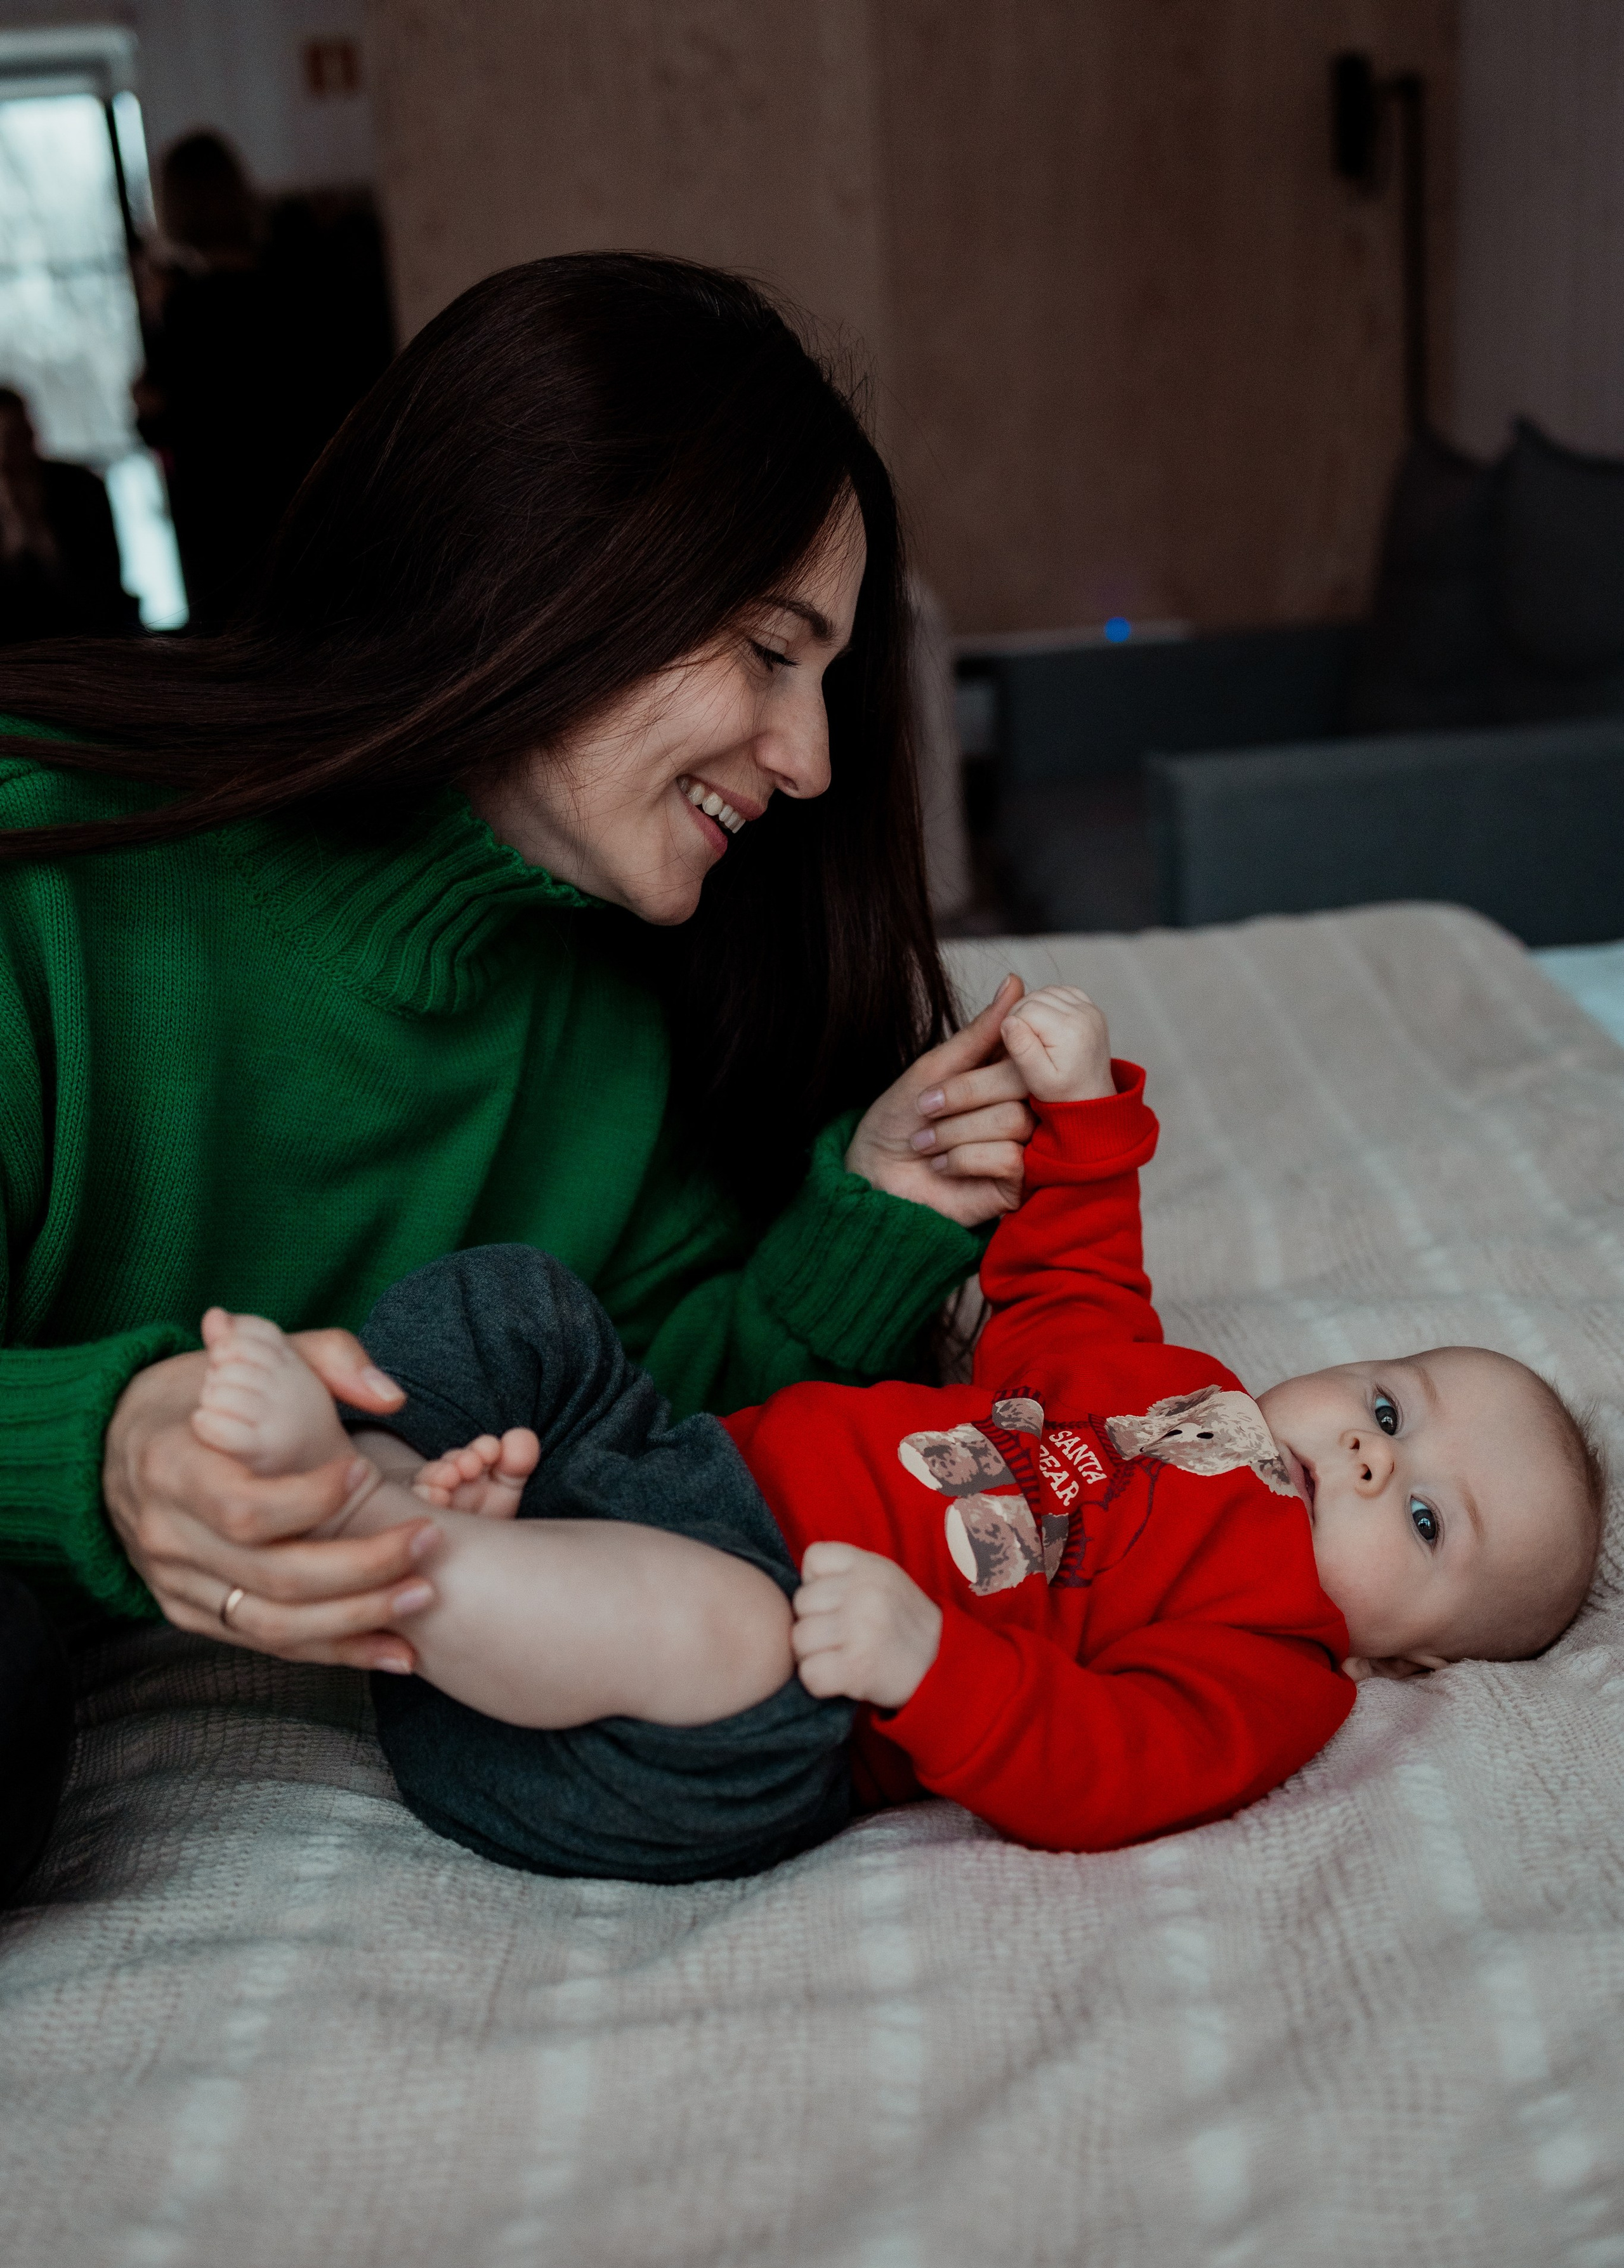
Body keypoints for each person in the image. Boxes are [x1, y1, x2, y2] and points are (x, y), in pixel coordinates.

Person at [0, 254, 1035, 1901]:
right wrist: (99, 1446)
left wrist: (882, 1211)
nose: (815, 758)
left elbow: (673, 1419)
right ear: (551, 561)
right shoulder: (48, 863)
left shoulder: (617, 1026)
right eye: (772, 650)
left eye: (827, 680)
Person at [183, 984, 1609, 1881]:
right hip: (660, 1470)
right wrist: (1078, 1113)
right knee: (517, 1308)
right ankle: (379, 1464)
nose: (1368, 1458)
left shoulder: (1282, 1665)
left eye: (1421, 1518)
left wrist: (930, 1666)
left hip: (710, 1716)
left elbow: (1110, 1761)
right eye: (1383, 1406)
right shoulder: (1187, 1395)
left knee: (728, 1633)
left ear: (1404, 1653)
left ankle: (400, 1547)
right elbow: (1076, 1279)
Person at [134, 131, 392, 628]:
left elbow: (178, 427)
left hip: (231, 531)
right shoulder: (300, 284)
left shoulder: (188, 313)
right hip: (316, 507)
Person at [0, 389, 140, 646]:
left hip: (89, 639)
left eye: (13, 438)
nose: (8, 454)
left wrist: (36, 531)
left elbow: (105, 586)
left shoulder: (81, 488)